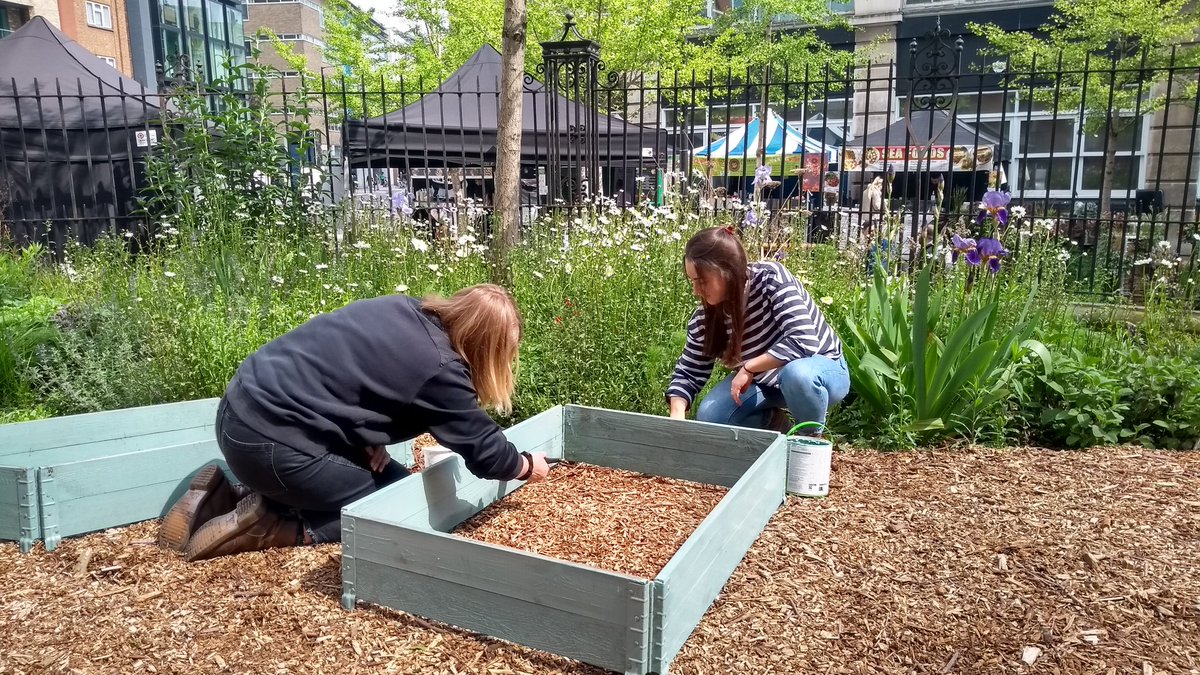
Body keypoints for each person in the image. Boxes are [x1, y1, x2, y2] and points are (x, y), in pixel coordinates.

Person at [157, 284, 551, 562]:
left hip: (238, 413)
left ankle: (235, 493)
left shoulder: (400, 308)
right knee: (399, 501)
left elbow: (346, 374)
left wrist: (364, 432)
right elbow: (486, 454)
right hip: (273, 445)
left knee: (389, 475)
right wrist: (527, 465)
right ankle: (274, 525)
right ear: (488, 347)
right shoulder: (442, 370)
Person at [666, 227, 850, 432]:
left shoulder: (771, 278)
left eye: (702, 281)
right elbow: (689, 373)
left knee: (797, 375)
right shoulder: (705, 318)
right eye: (693, 281)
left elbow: (803, 341)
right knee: (712, 415)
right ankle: (778, 430)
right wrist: (677, 416)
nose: (696, 291)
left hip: (820, 371)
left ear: (727, 272)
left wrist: (749, 368)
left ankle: (808, 441)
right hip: (765, 384)